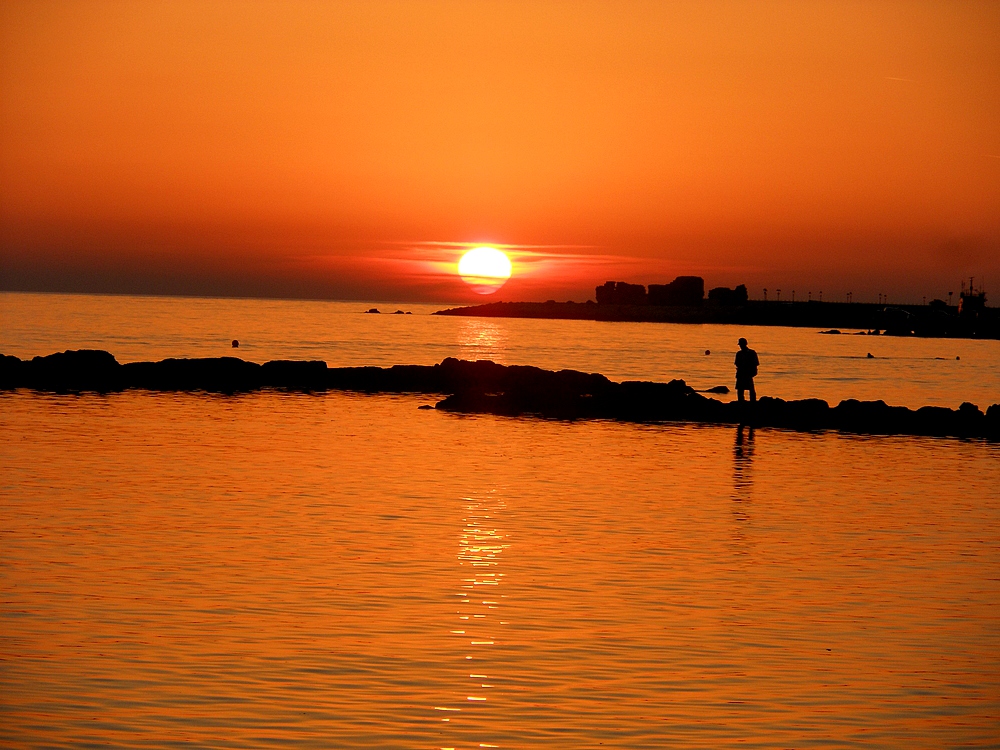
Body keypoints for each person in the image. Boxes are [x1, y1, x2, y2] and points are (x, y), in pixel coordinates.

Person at [734, 337, 759, 404]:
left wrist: (753, 371)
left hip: (747, 373)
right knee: (740, 389)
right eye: (740, 345)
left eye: (741, 344)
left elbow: (755, 363)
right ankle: (741, 402)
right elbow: (737, 363)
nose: (741, 346)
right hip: (742, 373)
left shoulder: (751, 353)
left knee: (750, 389)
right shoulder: (739, 353)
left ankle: (752, 402)